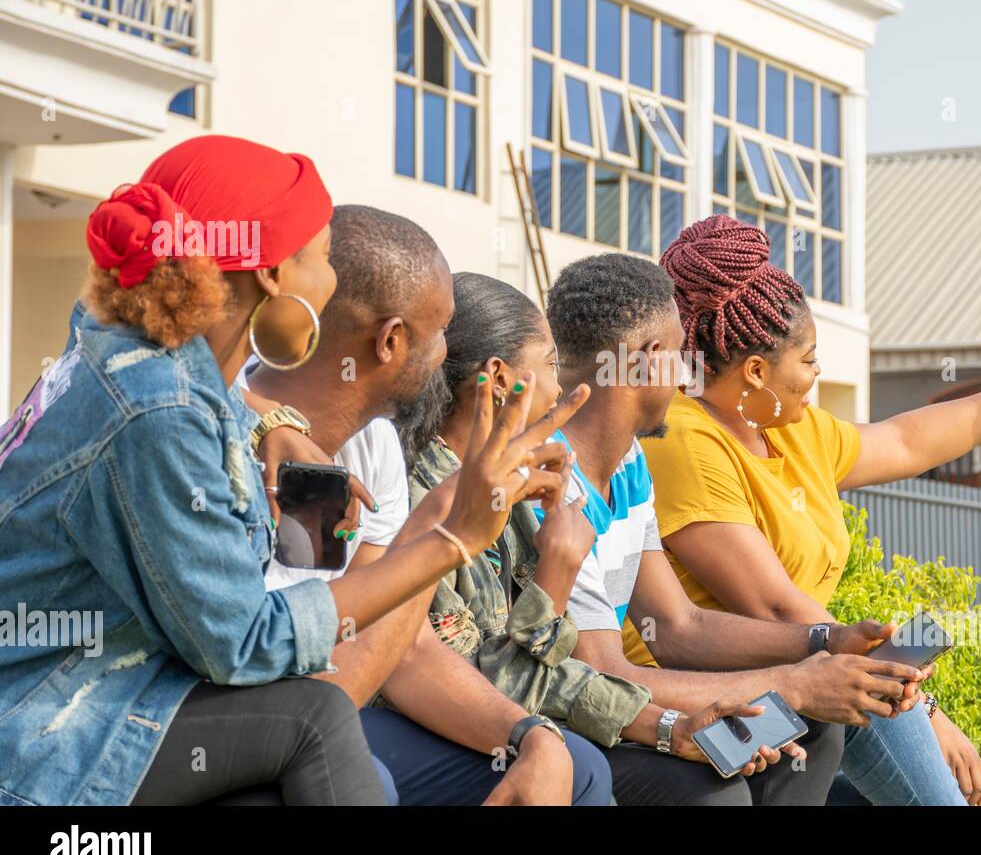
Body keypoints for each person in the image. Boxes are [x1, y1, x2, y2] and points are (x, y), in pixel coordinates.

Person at [0, 136, 548, 806]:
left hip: (92, 691)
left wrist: (267, 424)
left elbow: (195, 400)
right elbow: (245, 644)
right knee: (313, 721)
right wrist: (451, 538)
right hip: (42, 733)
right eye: (321, 256)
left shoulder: (132, 352)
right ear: (271, 276)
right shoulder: (159, 414)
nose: (334, 278)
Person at [637, 214, 981, 805]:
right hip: (704, 706)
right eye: (810, 361)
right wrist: (926, 709)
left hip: (799, 688)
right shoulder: (684, 440)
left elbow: (908, 441)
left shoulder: (787, 428)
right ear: (758, 372)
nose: (817, 376)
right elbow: (773, 607)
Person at [525, 252, 941, 806]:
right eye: (680, 358)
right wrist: (792, 682)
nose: (687, 377)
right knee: (716, 791)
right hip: (571, 729)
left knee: (811, 730)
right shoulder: (554, 488)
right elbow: (602, 674)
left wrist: (825, 641)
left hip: (628, 705)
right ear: (649, 361)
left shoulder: (628, 464)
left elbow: (677, 626)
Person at [244, 206, 610, 805]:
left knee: (569, 762)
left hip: (318, 699)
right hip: (227, 711)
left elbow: (393, 644)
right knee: (361, 780)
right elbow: (297, 673)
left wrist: (529, 735)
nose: (450, 351)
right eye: (441, 329)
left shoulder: (376, 446)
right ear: (389, 340)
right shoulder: (227, 430)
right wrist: (446, 535)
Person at [397, 272, 805, 796]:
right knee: (636, 775)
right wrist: (555, 575)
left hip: (523, 718)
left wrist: (670, 729)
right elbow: (485, 679)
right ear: (499, 379)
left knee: (780, 747)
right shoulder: (423, 491)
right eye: (549, 365)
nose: (563, 384)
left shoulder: (520, 486)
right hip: (439, 728)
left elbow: (538, 673)